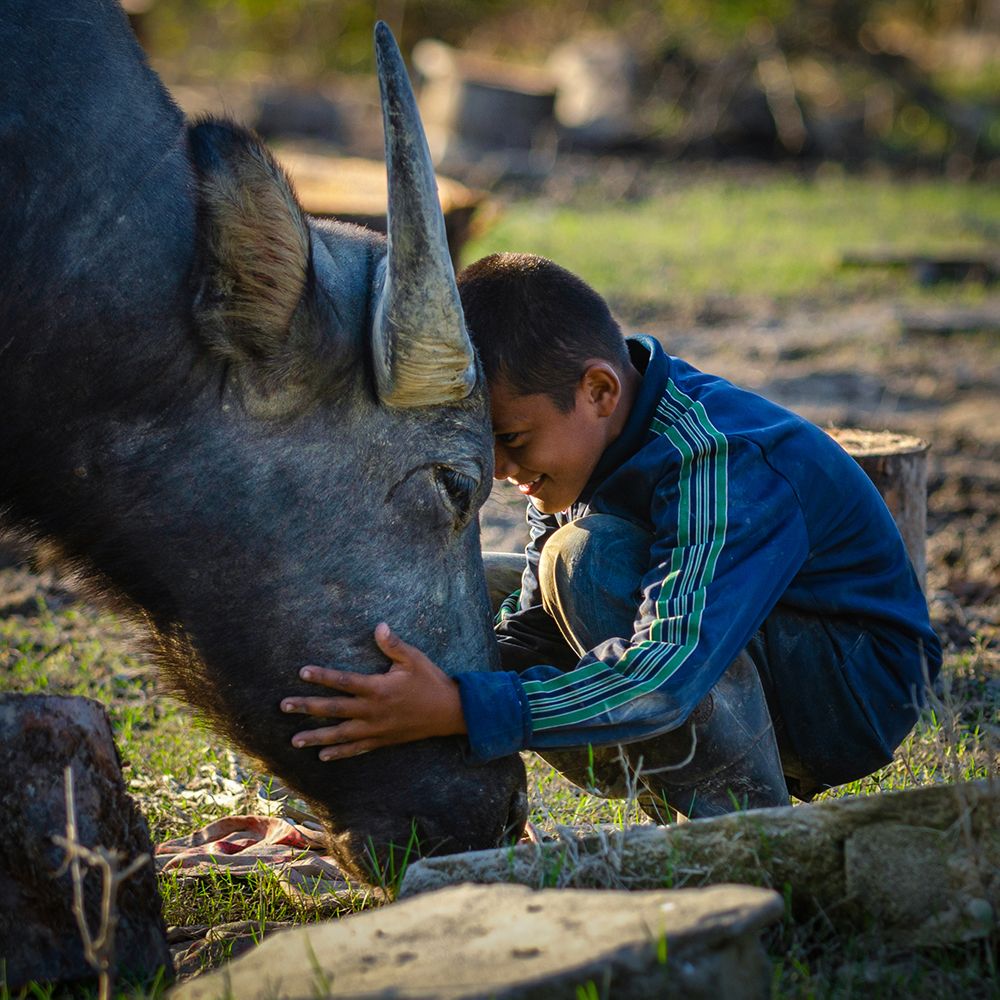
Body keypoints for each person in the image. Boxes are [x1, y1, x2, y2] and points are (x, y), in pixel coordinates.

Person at [279, 252, 941, 819]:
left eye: (511, 439)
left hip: (851, 690)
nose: (503, 472)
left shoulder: (713, 459)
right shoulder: (578, 453)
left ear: (598, 390)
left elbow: (668, 669)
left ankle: (748, 836)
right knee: (473, 583)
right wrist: (420, 688)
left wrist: (464, 707)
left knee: (585, 560)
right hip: (735, 643)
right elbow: (534, 623)